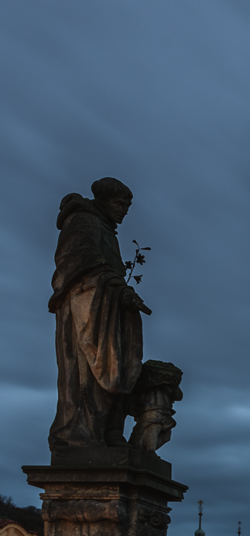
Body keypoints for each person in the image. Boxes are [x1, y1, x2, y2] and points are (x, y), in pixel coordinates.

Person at [48, 177, 153, 450]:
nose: (123, 211)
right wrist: (117, 285)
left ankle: (107, 432)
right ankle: (81, 434)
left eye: (127, 207)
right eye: (119, 204)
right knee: (85, 376)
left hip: (106, 307)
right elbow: (76, 260)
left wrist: (119, 290)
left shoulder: (105, 227)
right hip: (85, 309)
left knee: (113, 370)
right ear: (102, 201)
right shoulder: (84, 220)